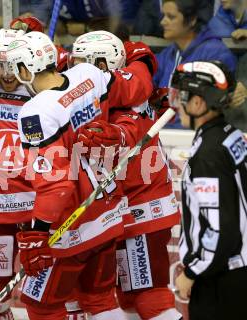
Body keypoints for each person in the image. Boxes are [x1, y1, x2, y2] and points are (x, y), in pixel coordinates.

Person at [5, 30, 155, 319]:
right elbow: (135, 89)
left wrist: (36, 232)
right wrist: (142, 60)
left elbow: (56, 185)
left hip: (72, 224)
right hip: (108, 209)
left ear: (24, 69)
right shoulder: (88, 74)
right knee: (99, 299)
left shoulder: (35, 112)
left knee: (41, 305)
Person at [71, 30, 182, 320]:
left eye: (84, 64)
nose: (75, 71)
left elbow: (129, 129)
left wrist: (112, 135)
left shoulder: (124, 88)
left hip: (142, 206)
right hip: (121, 207)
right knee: (128, 298)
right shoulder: (108, 82)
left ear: (105, 65)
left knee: (148, 297)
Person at [170, 60, 247, 320]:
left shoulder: (207, 155)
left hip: (222, 279)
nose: (177, 105)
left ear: (199, 103)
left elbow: (218, 227)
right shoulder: (229, 134)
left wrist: (191, 273)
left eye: (182, 96)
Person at [0, 27, 30, 320]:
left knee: (48, 289)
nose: (6, 73)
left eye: (12, 64)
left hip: (35, 203)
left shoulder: (41, 87)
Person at [154, 0, 237, 128]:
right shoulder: (167, 54)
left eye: (171, 17)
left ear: (192, 20)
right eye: (163, 15)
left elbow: (214, 108)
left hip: (194, 138)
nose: (163, 22)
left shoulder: (215, 53)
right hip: (162, 134)